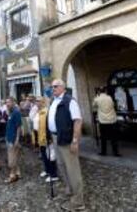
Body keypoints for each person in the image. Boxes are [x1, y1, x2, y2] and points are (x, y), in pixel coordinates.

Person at [47, 79, 85, 211]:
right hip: (55, 137)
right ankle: (70, 190)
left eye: (55, 86)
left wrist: (75, 141)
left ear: (63, 87)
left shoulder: (70, 101)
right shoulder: (54, 101)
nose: (53, 89)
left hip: (67, 139)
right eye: (52, 87)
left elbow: (78, 121)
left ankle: (78, 201)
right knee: (62, 166)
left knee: (72, 169)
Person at [35, 97, 58, 183]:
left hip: (46, 137)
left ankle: (53, 174)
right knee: (44, 156)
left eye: (39, 101)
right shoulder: (38, 112)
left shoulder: (46, 111)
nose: (37, 103)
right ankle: (47, 170)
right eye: (36, 101)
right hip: (40, 137)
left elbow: (49, 125)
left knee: (50, 156)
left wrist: (50, 137)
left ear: (43, 102)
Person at [93, 87, 120, 156]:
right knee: (113, 137)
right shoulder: (109, 98)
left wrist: (96, 96)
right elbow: (113, 105)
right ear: (105, 91)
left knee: (103, 137)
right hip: (112, 119)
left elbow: (94, 106)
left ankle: (103, 151)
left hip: (103, 120)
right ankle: (115, 152)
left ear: (99, 92)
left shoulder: (97, 99)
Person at [4, 97, 22, 183]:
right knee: (15, 157)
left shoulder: (16, 112)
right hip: (9, 137)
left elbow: (19, 127)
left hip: (13, 138)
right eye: (6, 103)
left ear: (13, 102)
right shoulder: (11, 112)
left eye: (8, 102)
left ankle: (12, 175)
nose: (7, 104)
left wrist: (17, 139)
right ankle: (18, 173)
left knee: (11, 159)